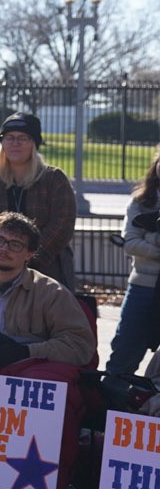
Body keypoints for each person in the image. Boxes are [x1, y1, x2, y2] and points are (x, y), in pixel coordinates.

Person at [0, 212, 94, 368]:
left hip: (31, 370)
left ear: (29, 254)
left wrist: (26, 351)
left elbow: (79, 346)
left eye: (15, 245)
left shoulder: (53, 293)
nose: (4, 249)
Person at [0, 112, 76, 290]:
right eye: (9, 138)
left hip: (44, 272)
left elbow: (63, 223)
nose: (15, 143)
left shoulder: (54, 179)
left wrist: (27, 256)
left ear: (34, 143)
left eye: (23, 138)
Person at [104, 148, 160, 388]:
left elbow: (140, 241)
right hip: (143, 288)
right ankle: (106, 414)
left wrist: (149, 238)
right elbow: (131, 243)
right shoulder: (141, 202)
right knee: (123, 354)